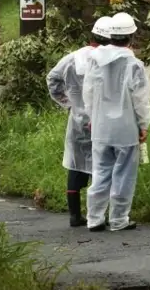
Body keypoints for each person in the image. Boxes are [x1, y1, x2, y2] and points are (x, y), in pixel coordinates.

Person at [82, 12, 150, 232]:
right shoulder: (134, 65)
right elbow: (140, 99)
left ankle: (94, 218)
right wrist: (144, 125)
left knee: (100, 172)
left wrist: (92, 117)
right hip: (126, 128)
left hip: (101, 127)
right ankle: (119, 219)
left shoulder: (95, 60)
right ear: (131, 36)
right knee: (123, 175)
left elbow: (88, 92)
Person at [46, 16, 114, 227]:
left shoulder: (72, 58)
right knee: (104, 166)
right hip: (105, 120)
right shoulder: (112, 60)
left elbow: (52, 79)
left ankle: (75, 215)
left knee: (76, 165)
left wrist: (68, 104)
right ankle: (102, 215)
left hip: (78, 120)